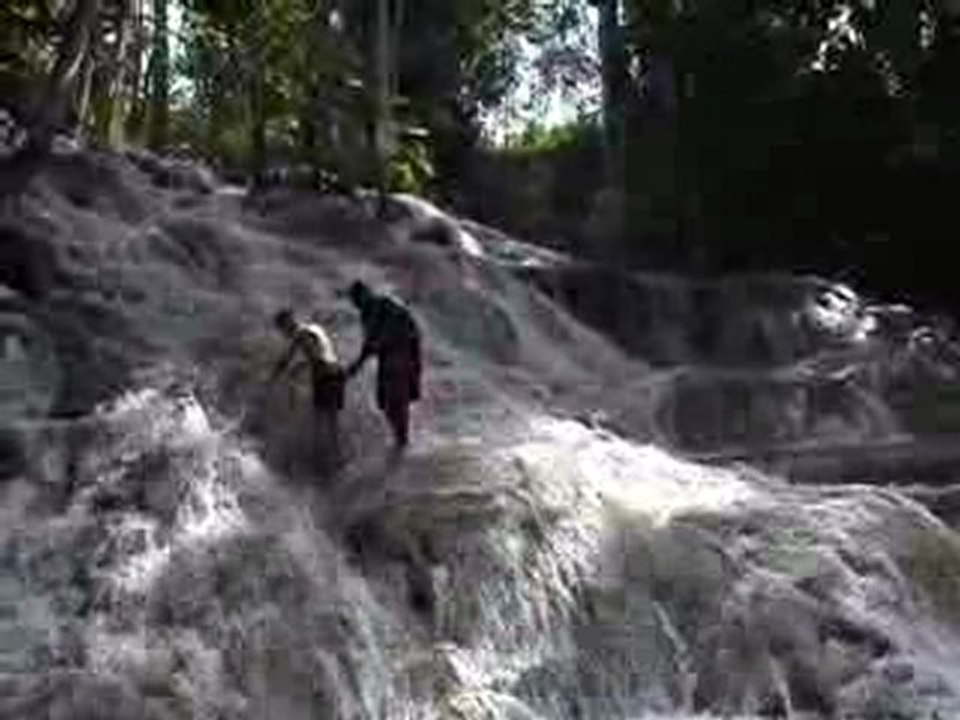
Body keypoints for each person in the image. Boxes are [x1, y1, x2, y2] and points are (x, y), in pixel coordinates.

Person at [345, 280, 422, 452]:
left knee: (397, 399)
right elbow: (369, 343)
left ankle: (402, 442)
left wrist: (377, 347)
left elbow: (405, 329)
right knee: (383, 402)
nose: (357, 303)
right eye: (354, 301)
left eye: (359, 298)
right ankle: (400, 440)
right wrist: (357, 365)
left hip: (403, 353)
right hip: (387, 357)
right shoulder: (365, 314)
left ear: (367, 293)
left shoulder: (386, 303)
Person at [269, 309, 346, 470]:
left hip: (326, 377)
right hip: (337, 373)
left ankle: (326, 463)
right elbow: (322, 354)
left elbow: (291, 358)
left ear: (288, 323)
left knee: (321, 421)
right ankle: (337, 459)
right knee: (331, 422)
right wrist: (300, 367)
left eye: (282, 329)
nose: (283, 334)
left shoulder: (300, 334)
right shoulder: (315, 328)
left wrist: (279, 375)